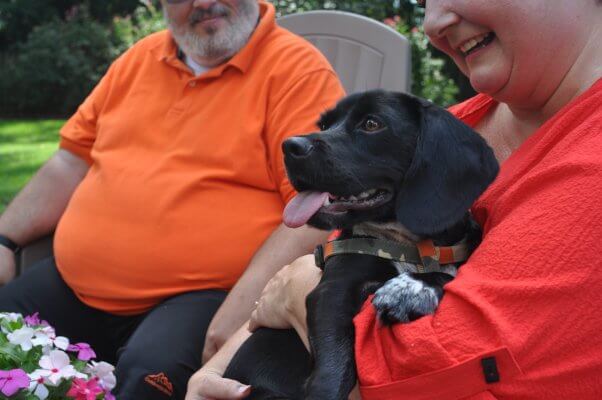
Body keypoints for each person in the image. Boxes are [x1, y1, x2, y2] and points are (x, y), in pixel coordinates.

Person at [185, 0, 602, 399]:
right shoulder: (449, 130)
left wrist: (300, 288)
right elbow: (262, 306)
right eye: (423, 0)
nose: (432, 22)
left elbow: (430, 371)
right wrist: (211, 369)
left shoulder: (588, 169)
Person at [0, 0, 344, 398]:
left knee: (148, 379)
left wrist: (242, 313)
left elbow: (318, 206)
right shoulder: (138, 59)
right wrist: (5, 239)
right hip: (73, 283)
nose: (202, 3)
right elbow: (70, 161)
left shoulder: (295, 69)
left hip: (204, 297)